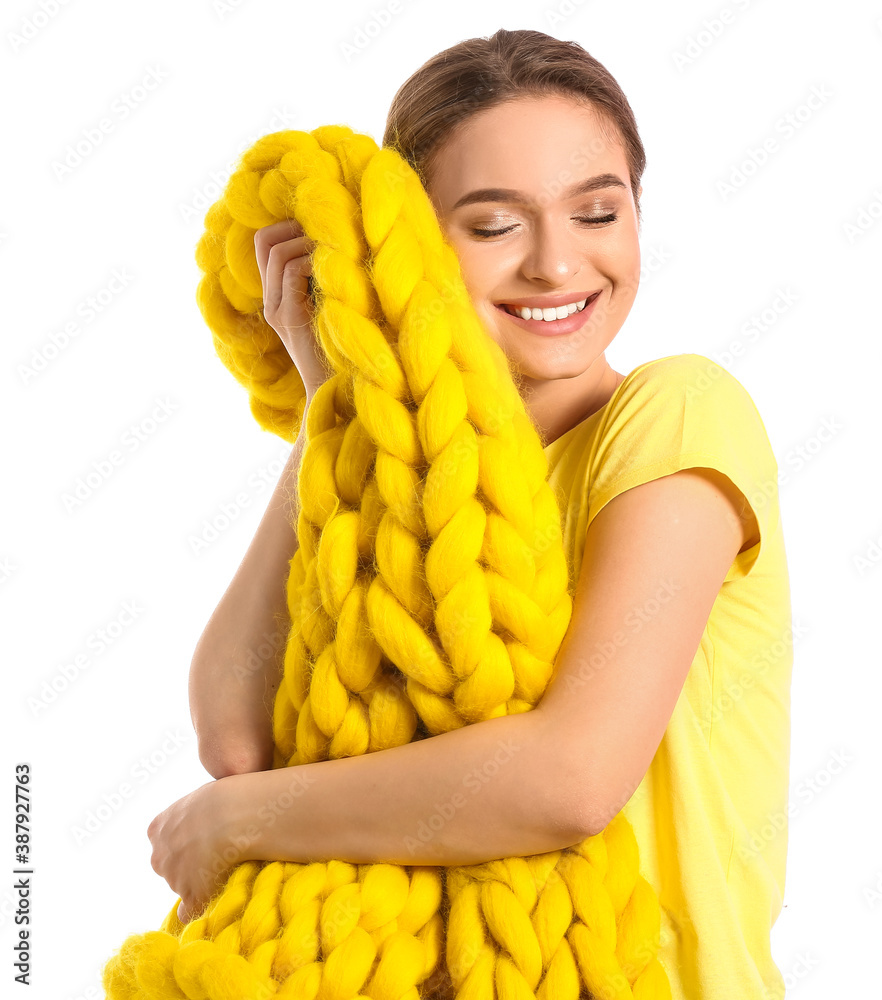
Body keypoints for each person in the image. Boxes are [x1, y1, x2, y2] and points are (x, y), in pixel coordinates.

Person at [148, 28, 793, 1000]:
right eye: (494, 225)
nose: (554, 264)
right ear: (417, 243)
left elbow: (569, 779)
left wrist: (236, 822)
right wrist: (344, 402)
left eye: (597, 212)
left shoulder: (675, 414)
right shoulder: (403, 481)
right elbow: (235, 733)